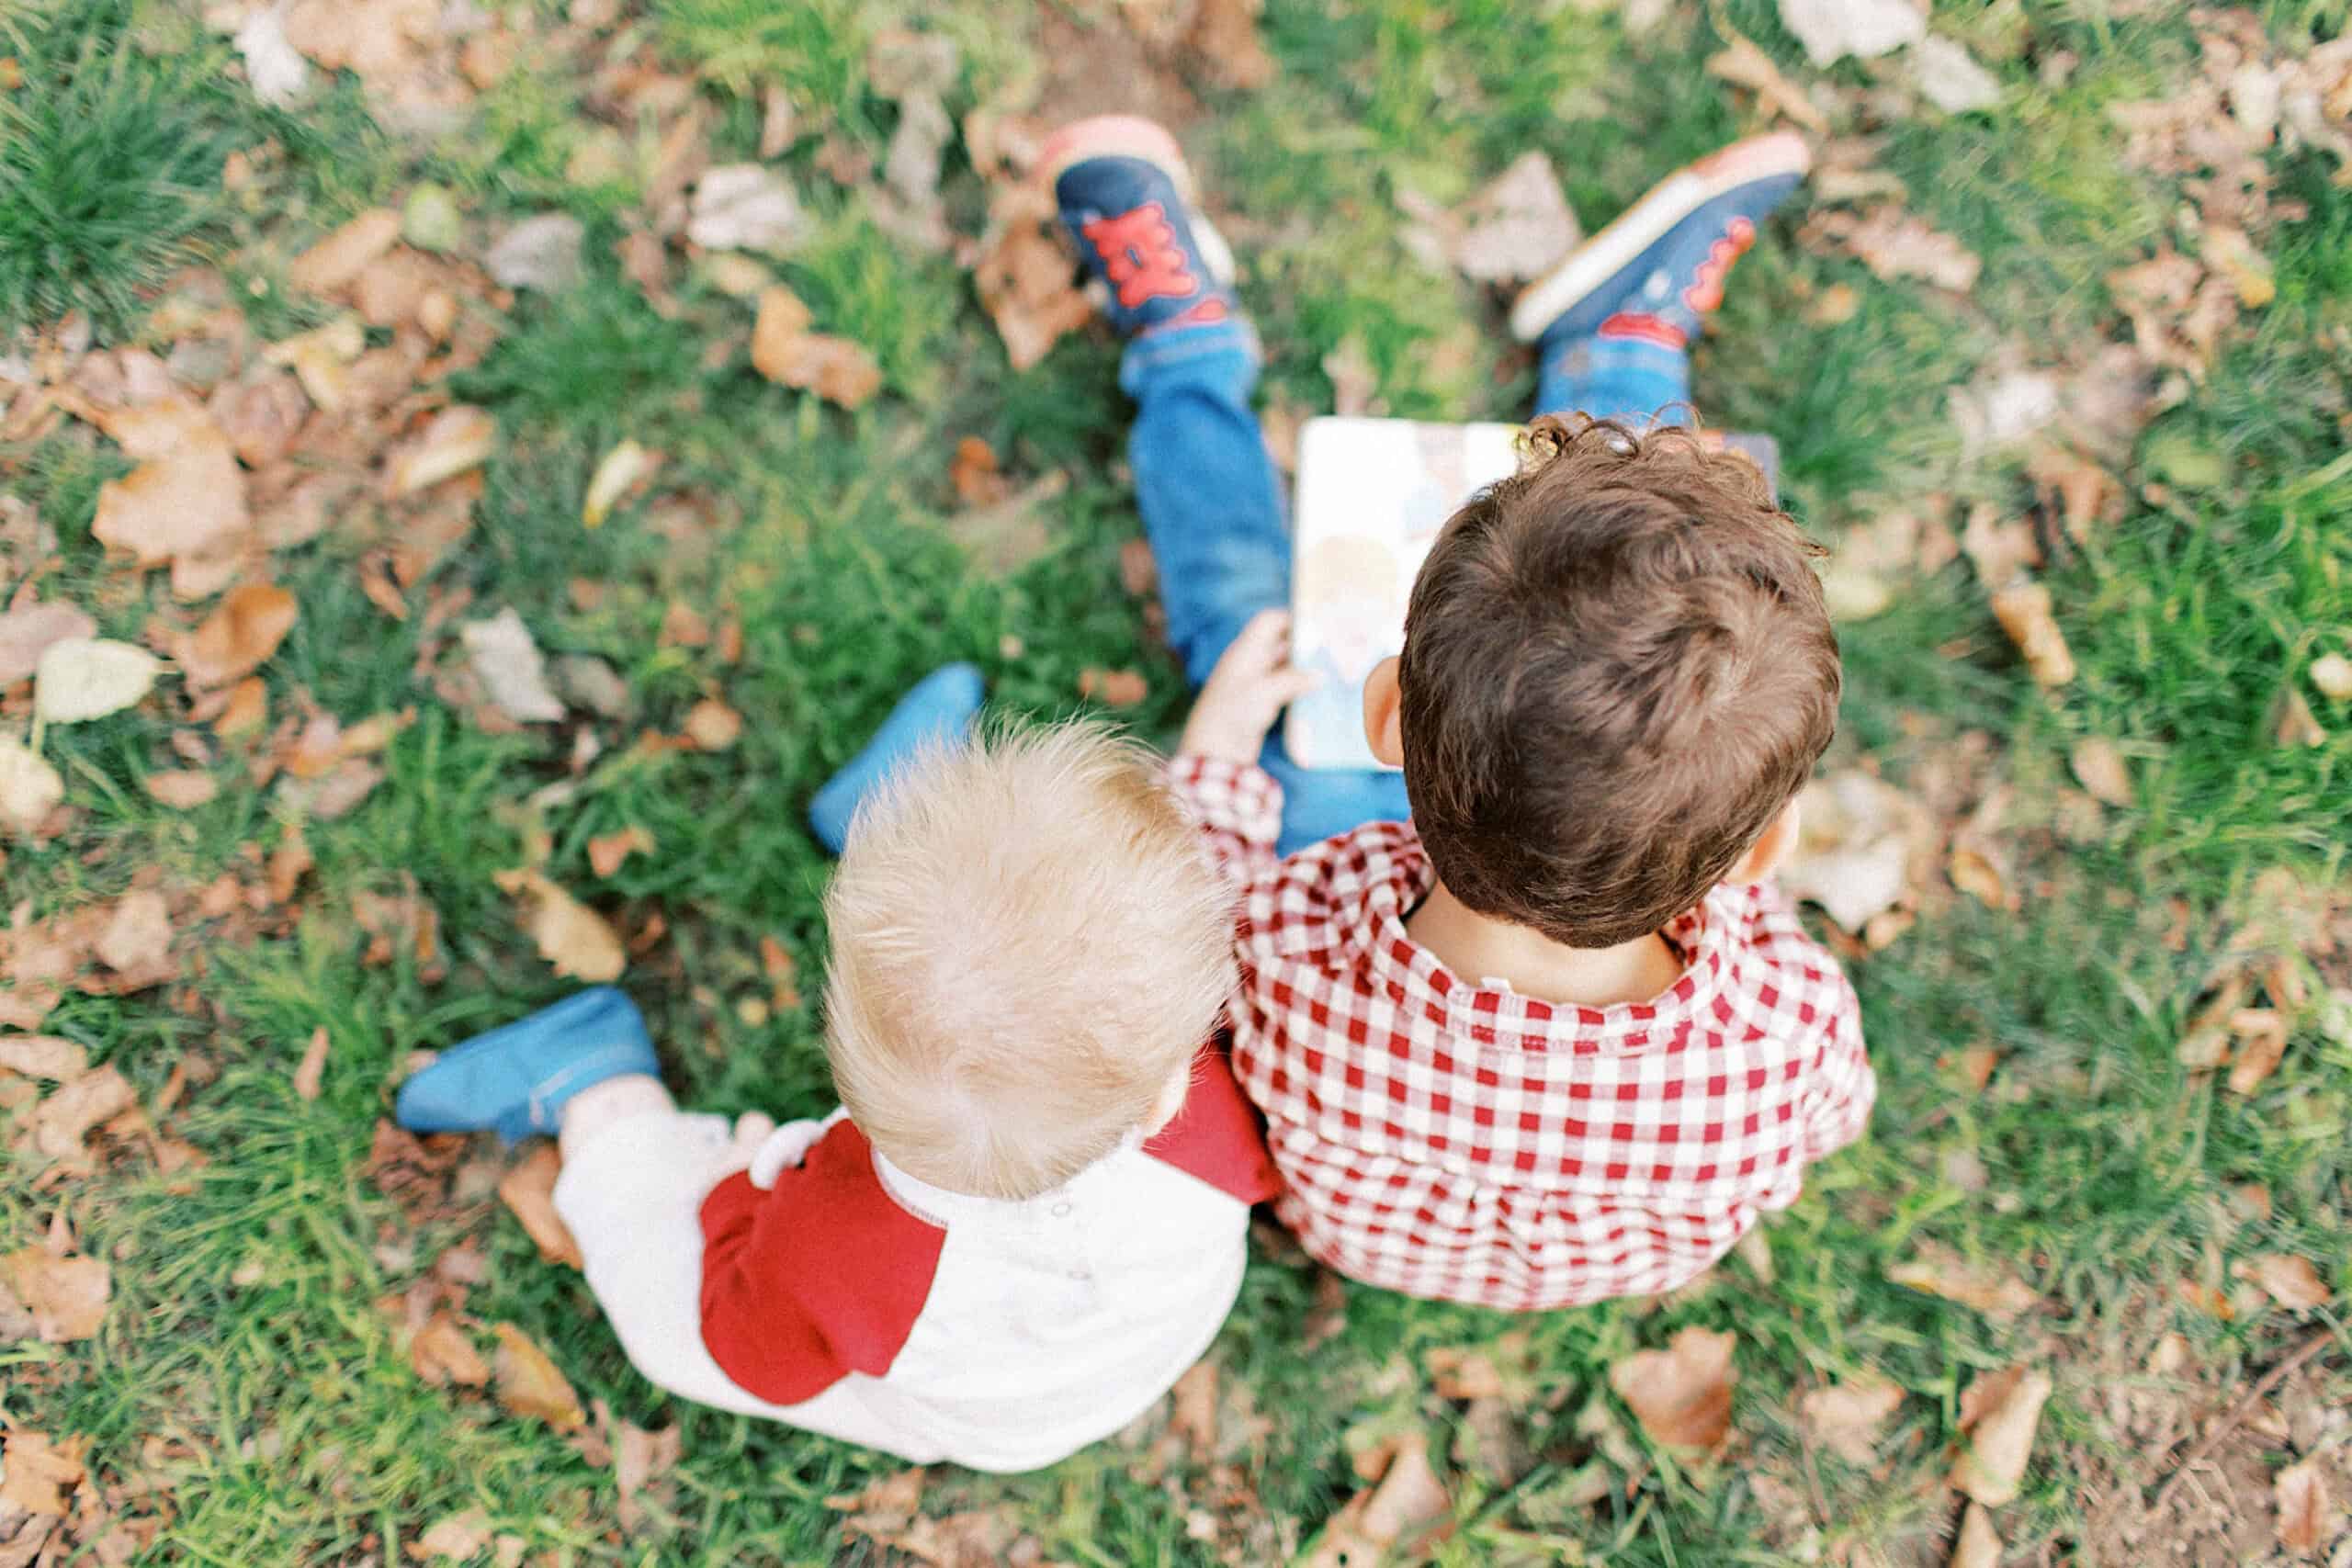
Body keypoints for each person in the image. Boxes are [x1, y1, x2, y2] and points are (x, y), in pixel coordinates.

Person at [1045, 116, 1873, 1310]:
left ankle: (1186, 352)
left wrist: (1218, 756)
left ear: (1383, 712)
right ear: (1765, 852)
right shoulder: (1787, 1029)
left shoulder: (1286, 939)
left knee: (1251, 637)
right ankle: (1620, 357)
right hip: (1505, 1183)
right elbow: (1827, 1123)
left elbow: (1193, 898)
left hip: (1403, 911)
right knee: (1701, 647)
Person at [392, 724, 1276, 1470]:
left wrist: (735, 1196)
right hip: (1120, 1362)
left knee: (673, 1333)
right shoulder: (1211, 1117)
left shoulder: (847, 1236)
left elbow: (753, 1348)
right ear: (1170, 1089)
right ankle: (875, 809)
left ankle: (599, 1091)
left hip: (970, 1414)